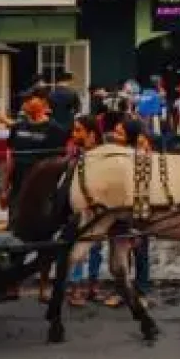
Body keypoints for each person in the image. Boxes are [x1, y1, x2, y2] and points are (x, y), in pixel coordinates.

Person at [0, 84, 69, 228]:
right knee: (14, 226)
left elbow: (57, 164)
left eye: (30, 99)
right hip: (17, 188)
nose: (25, 102)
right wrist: (4, 189)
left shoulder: (55, 130)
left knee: (37, 228)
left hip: (41, 191)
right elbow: (10, 158)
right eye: (24, 99)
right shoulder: (17, 127)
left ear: (43, 102)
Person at [67, 115, 118, 307]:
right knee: (79, 247)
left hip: (100, 209)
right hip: (79, 209)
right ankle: (76, 286)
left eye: (78, 130)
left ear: (91, 134)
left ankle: (93, 284)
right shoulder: (73, 154)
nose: (74, 134)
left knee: (96, 248)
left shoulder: (104, 154)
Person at [109, 115, 152, 297]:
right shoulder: (116, 151)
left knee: (140, 251)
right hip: (118, 208)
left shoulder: (141, 153)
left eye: (120, 133)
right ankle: (122, 289)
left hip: (138, 208)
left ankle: (141, 290)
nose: (114, 135)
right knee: (119, 252)